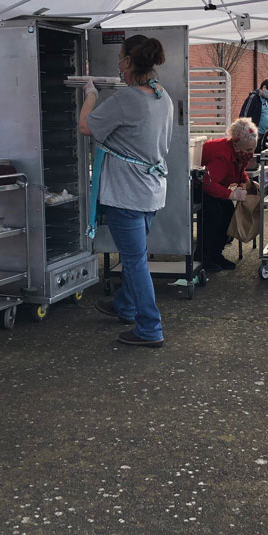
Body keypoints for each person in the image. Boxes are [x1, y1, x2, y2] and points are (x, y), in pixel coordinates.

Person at [79, 35, 174, 348]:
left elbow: (86, 126)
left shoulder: (127, 99)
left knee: (134, 262)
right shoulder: (162, 97)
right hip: (150, 191)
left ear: (129, 62)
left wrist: (90, 94)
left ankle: (150, 328)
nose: (118, 64)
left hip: (126, 192)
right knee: (137, 255)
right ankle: (125, 306)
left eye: (120, 58)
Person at [197, 118, 258, 272]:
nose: (251, 154)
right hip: (197, 186)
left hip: (209, 184)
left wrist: (245, 181)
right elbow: (207, 183)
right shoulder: (222, 155)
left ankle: (215, 253)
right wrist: (230, 194)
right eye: (249, 149)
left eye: (253, 149)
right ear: (237, 144)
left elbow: (237, 170)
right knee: (215, 214)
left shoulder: (237, 151)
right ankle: (203, 256)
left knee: (227, 212)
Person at [238, 78, 268, 150]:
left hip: (264, 133)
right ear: (264, 87)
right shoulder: (253, 98)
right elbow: (245, 113)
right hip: (254, 133)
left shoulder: (267, 101)